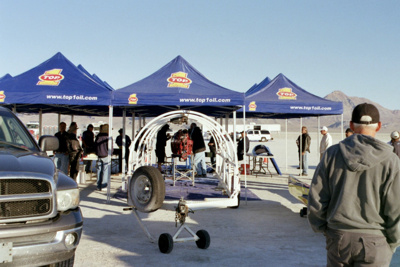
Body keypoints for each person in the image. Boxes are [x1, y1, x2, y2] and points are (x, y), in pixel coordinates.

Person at [307, 103, 400, 266]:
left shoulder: (332, 154)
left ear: (351, 125)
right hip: (376, 242)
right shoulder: (391, 161)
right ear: (378, 126)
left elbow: (317, 197)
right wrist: (392, 243)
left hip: (339, 239)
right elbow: (396, 207)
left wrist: (325, 230)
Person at [95, 124, 111, 191]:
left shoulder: (98, 137)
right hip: (106, 155)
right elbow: (110, 147)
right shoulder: (108, 137)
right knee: (105, 171)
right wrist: (110, 153)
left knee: (99, 170)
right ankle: (104, 185)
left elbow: (95, 145)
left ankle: (98, 185)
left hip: (99, 155)